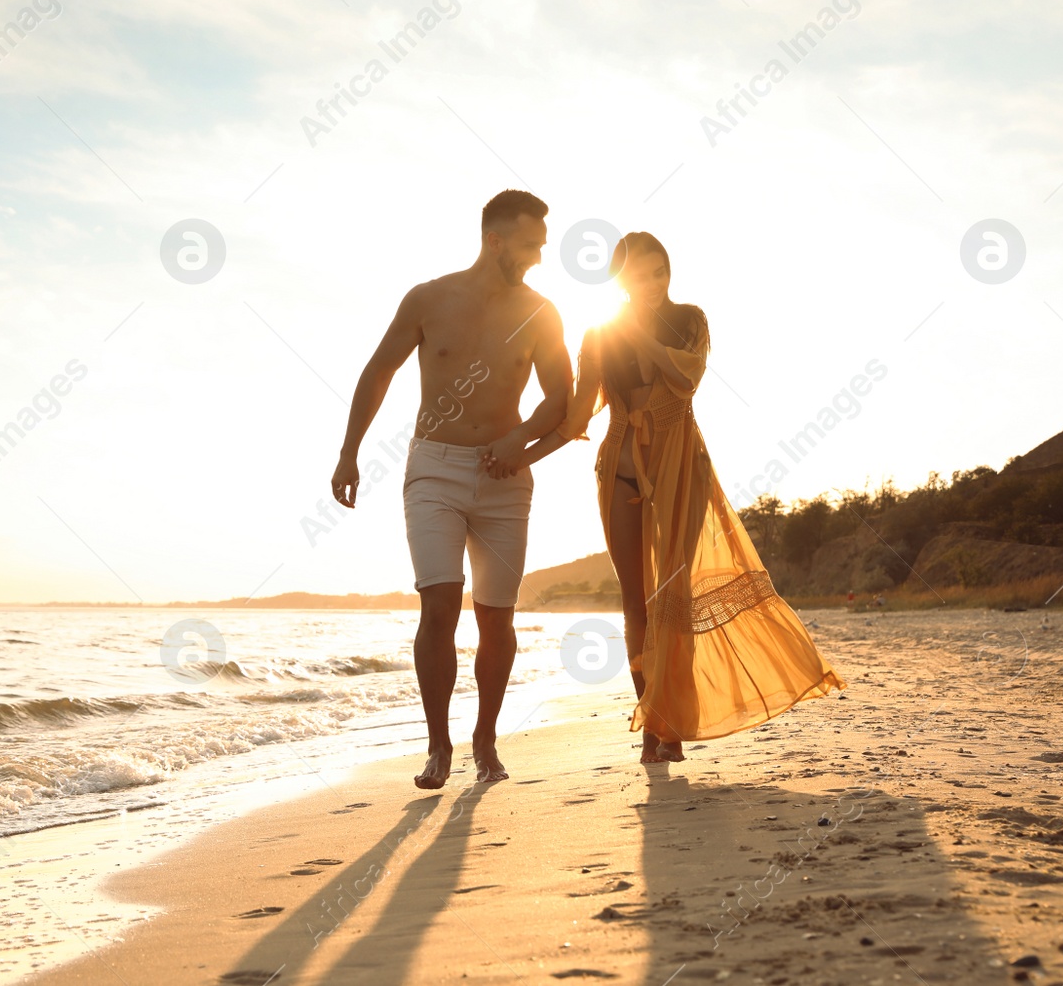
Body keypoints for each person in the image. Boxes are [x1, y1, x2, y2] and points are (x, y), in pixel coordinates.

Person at [519, 231, 844, 763]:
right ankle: (654, 725)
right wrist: (520, 456)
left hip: (680, 470)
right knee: (634, 603)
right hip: (618, 470)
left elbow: (685, 379)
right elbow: (578, 415)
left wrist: (638, 334)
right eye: (636, 275)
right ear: (617, 281)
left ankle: (672, 724)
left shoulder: (689, 320)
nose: (649, 284)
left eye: (658, 272)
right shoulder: (599, 334)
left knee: (673, 597)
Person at [331, 190, 572, 788]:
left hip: (505, 477)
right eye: (530, 244)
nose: (541, 256)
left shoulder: (542, 312)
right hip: (433, 468)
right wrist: (348, 452)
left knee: (496, 616)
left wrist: (518, 442)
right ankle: (438, 747)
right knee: (439, 606)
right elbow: (377, 370)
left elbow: (560, 398)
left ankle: (485, 737)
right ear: (494, 239)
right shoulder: (429, 298)